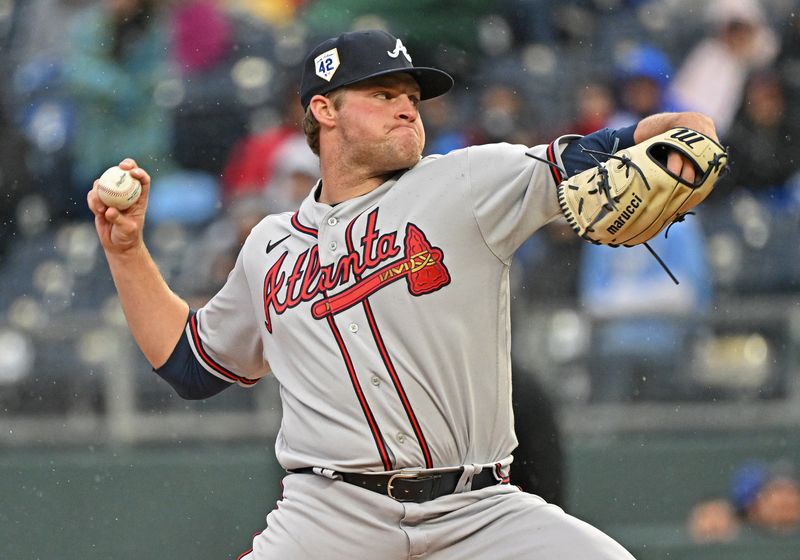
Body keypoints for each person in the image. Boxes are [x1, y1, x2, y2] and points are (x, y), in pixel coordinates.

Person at [87, 29, 719, 559]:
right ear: (324, 110)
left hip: (480, 510)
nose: (408, 108)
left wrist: (689, 134)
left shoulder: (470, 180)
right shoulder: (268, 247)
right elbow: (192, 366)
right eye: (383, 93)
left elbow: (631, 142)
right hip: (327, 518)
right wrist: (126, 252)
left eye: (412, 97)